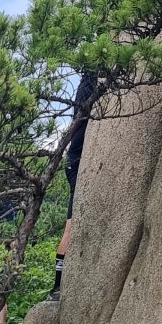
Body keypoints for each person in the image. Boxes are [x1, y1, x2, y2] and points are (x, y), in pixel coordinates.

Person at [50, 71, 98, 300]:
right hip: (77, 166)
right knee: (71, 225)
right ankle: (58, 287)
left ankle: (59, 286)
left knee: (73, 224)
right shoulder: (88, 87)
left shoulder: (86, 86)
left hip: (75, 164)